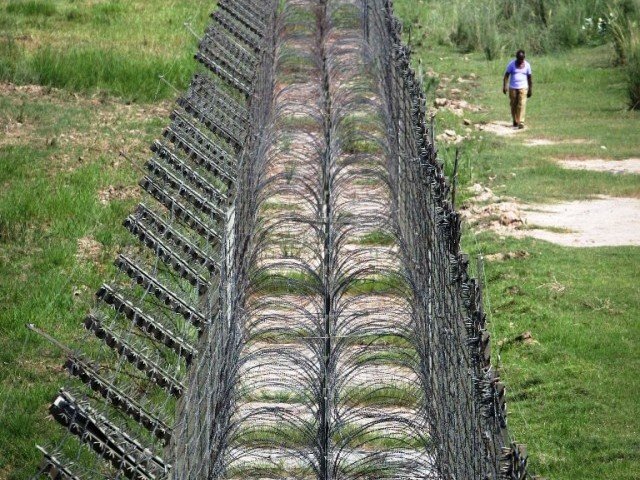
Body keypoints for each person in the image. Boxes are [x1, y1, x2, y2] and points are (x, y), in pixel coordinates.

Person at [503, 50, 533, 129]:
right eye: (519, 59)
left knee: (522, 104)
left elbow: (529, 78)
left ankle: (521, 122)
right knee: (513, 105)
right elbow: (506, 76)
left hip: (523, 88)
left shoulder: (527, 65)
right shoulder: (511, 64)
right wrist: (505, 86)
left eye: (522, 59)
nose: (520, 61)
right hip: (513, 88)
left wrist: (530, 89)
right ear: (516, 58)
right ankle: (515, 120)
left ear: (524, 58)